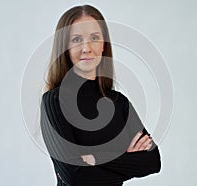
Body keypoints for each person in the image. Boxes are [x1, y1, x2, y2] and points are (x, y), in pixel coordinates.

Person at [40, 4, 161, 186]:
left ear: (104, 45)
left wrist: (95, 158)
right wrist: (125, 160)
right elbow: (75, 177)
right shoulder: (54, 102)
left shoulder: (119, 103)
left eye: (94, 38)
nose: (86, 48)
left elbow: (152, 162)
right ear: (65, 48)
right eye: (76, 39)